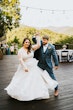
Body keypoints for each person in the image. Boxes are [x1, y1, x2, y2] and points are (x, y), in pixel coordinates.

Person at [5, 36, 58, 101]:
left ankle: (53, 90)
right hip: (25, 66)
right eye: (26, 42)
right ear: (23, 43)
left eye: (28, 42)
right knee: (23, 80)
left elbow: (38, 45)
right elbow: (20, 60)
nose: (27, 43)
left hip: (34, 65)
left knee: (36, 79)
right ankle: (24, 93)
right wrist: (25, 67)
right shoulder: (20, 50)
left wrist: (38, 37)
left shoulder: (31, 48)